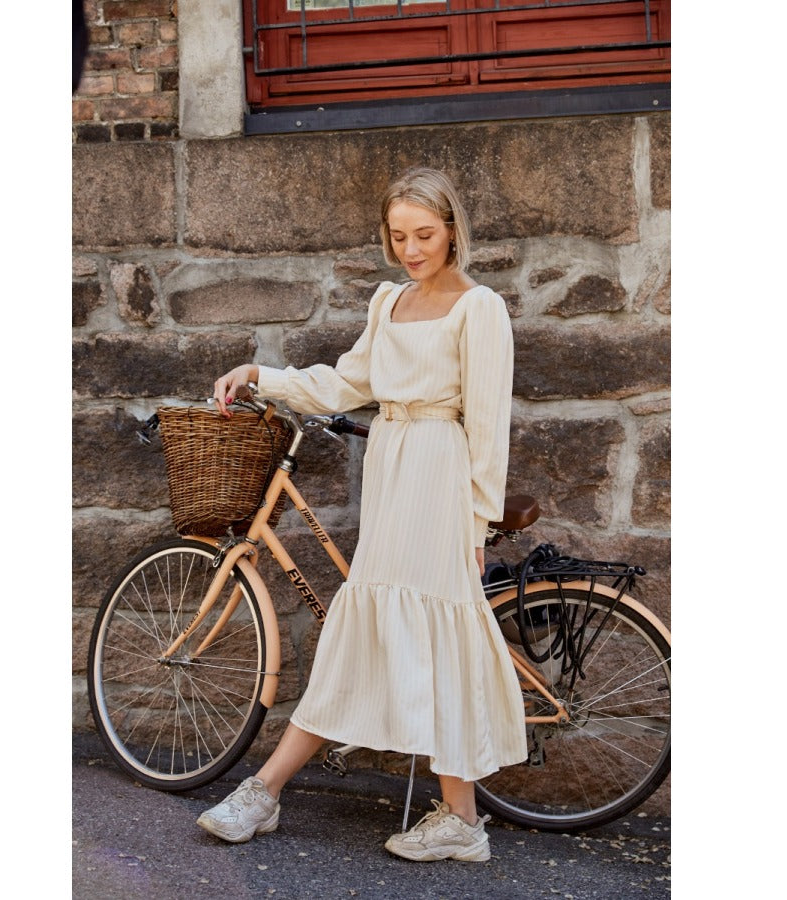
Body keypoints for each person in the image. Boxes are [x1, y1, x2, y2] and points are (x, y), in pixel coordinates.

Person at [198, 167, 528, 862]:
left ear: (452, 231)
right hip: (392, 464)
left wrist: (475, 525)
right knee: (372, 625)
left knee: (437, 634)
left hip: (439, 472)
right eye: (399, 235)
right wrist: (263, 374)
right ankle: (448, 820)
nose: (412, 249)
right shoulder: (390, 303)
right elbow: (346, 384)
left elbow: (490, 425)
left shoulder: (480, 308)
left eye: (426, 235)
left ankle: (274, 790)